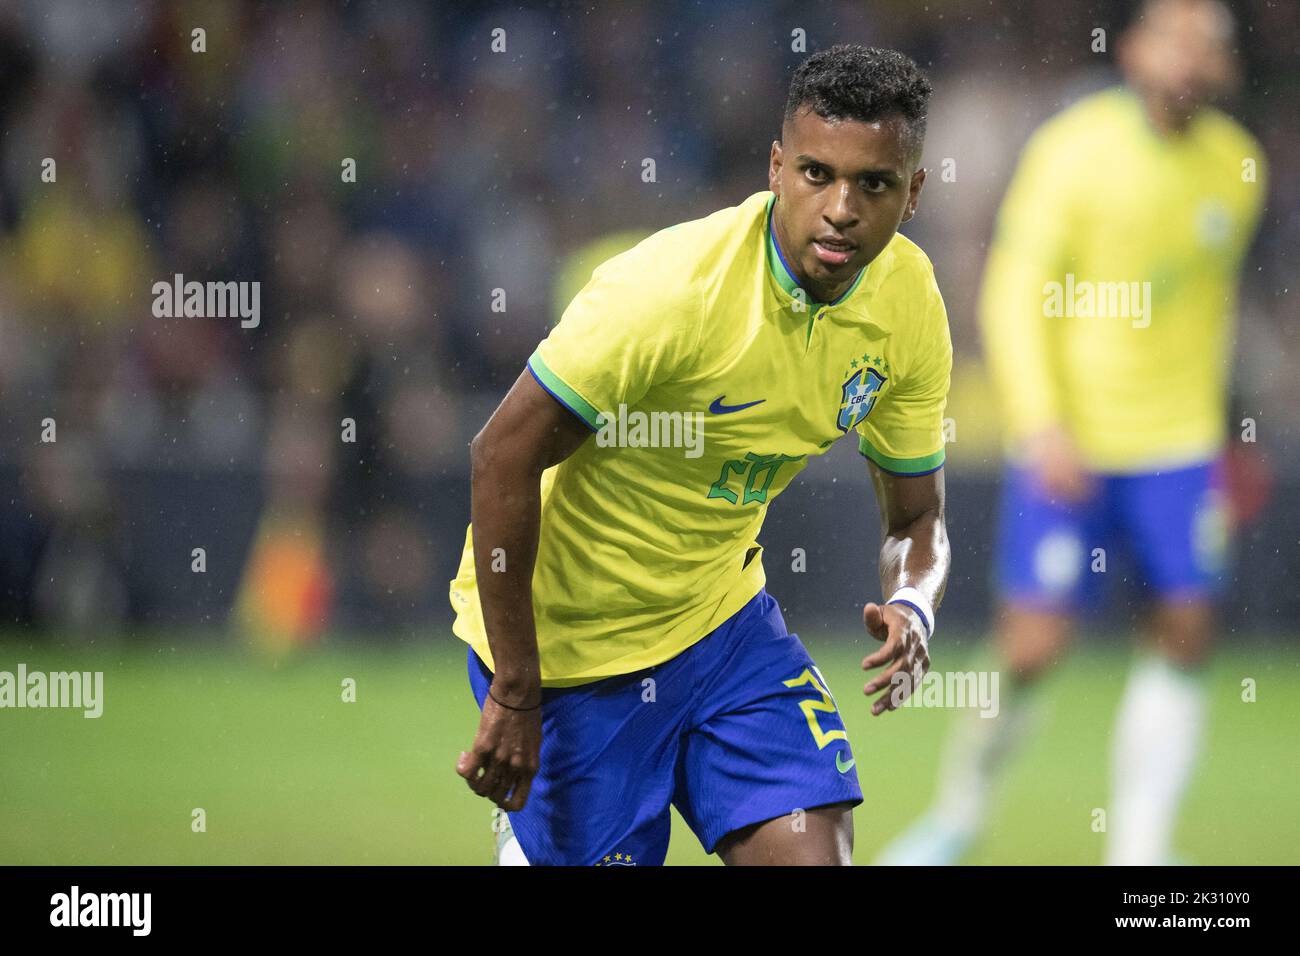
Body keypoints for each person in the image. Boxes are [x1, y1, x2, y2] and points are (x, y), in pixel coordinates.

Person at [450, 45, 953, 865]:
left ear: (915, 191)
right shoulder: (670, 294)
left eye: (875, 184)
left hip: (722, 631)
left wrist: (914, 605)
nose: (841, 209)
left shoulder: (909, 303)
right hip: (574, 651)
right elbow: (500, 457)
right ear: (776, 166)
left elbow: (918, 515)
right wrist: (515, 687)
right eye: (818, 174)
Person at [876, 0, 1265, 866]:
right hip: (1073, 438)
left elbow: (1208, 312)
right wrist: (1042, 422)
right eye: (1176, 37)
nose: (1193, 57)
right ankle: (957, 817)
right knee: (1033, 644)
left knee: (1186, 628)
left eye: (1211, 43)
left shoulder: (1239, 169)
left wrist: (1225, 435)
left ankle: (1139, 852)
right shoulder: (1073, 151)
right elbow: (1017, 292)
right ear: (1133, 50)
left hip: (1177, 447)